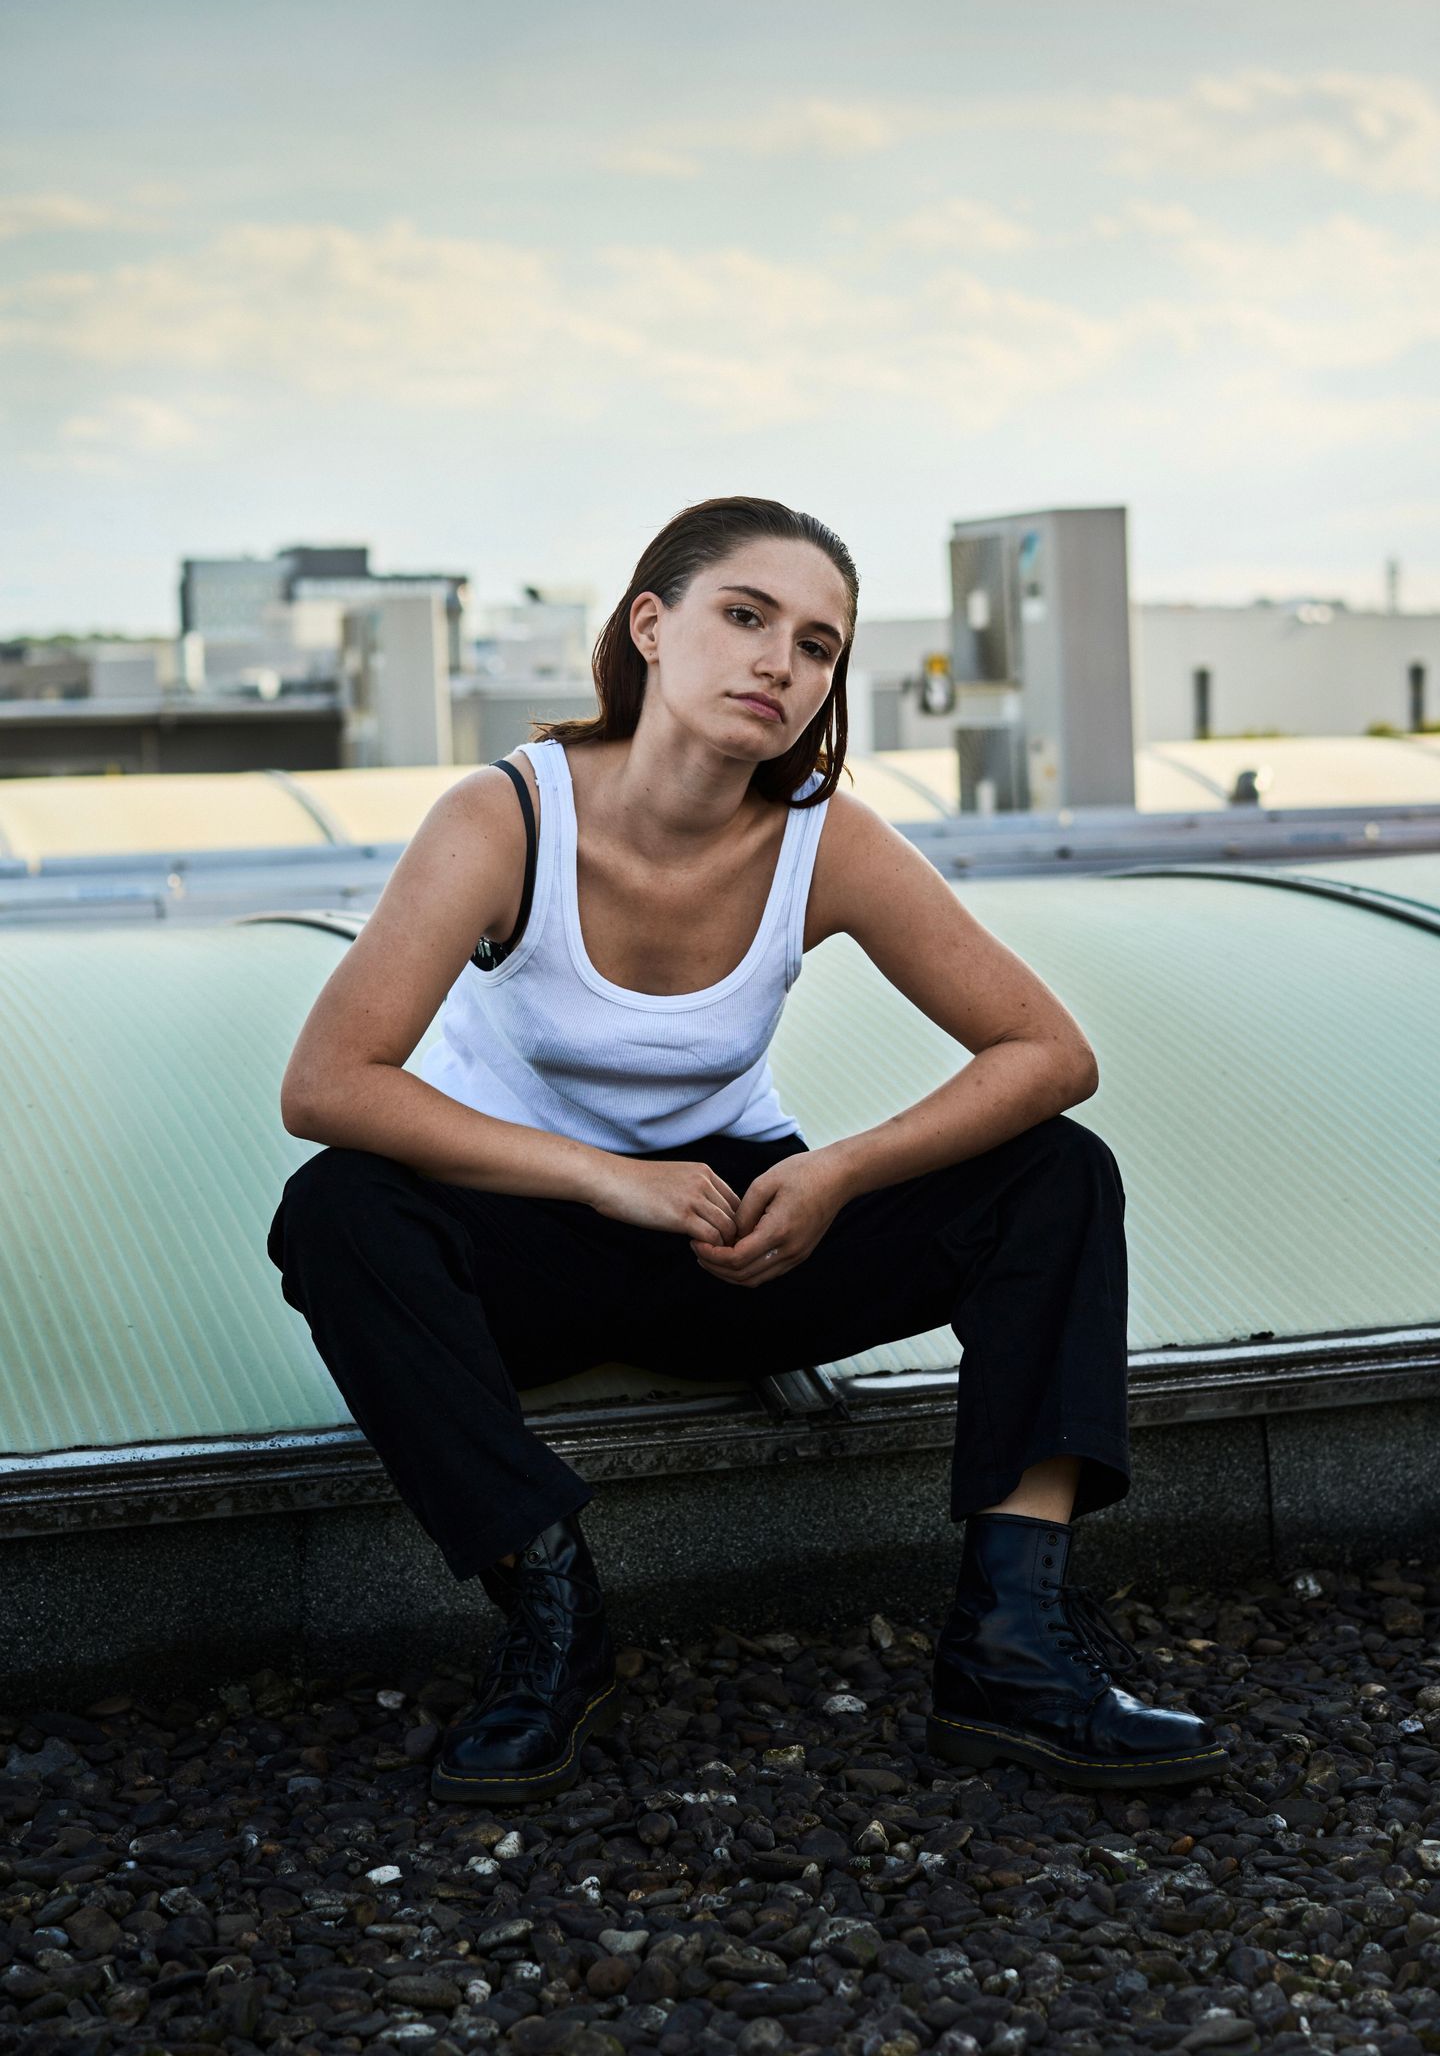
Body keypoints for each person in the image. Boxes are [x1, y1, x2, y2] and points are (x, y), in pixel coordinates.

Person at [267, 494, 1226, 1808]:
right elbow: (329, 1084)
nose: (781, 661)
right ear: (650, 628)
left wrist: (838, 1173)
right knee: (337, 1213)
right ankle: (552, 1622)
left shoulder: (827, 839)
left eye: (818, 645)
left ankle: (1011, 1647)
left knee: (1058, 1172)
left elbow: (1048, 1052)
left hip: (738, 1244)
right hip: (527, 1249)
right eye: (745, 615)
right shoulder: (506, 818)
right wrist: (609, 1178)